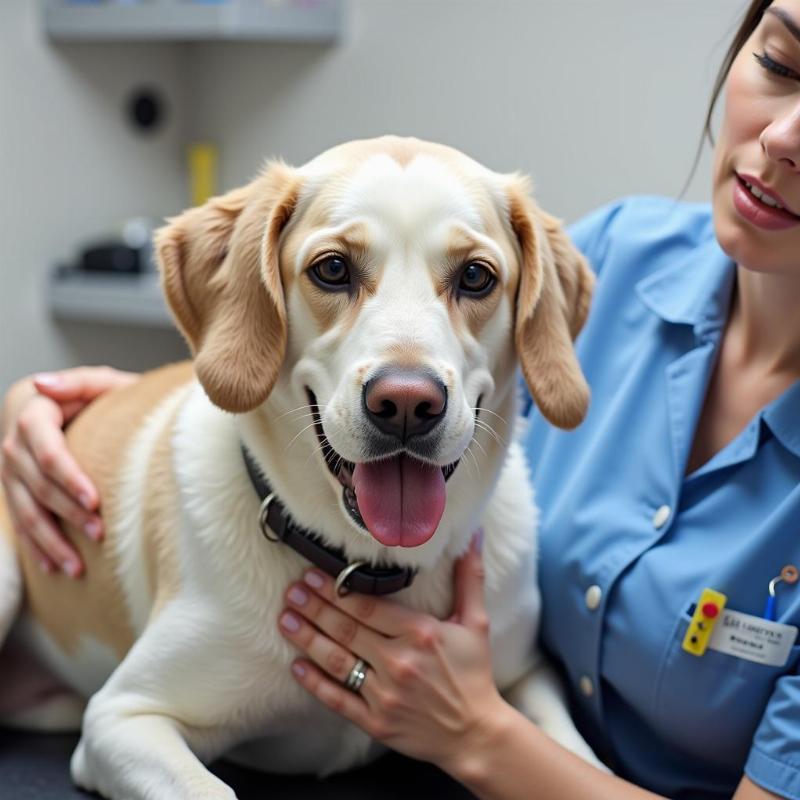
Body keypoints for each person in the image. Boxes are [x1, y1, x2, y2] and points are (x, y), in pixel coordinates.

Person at [2, 1, 800, 796]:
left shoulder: (550, 306)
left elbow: (512, 679)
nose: (408, 388)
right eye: (334, 272)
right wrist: (46, 406)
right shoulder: (629, 252)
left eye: (474, 280)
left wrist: (478, 732)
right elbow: (122, 724)